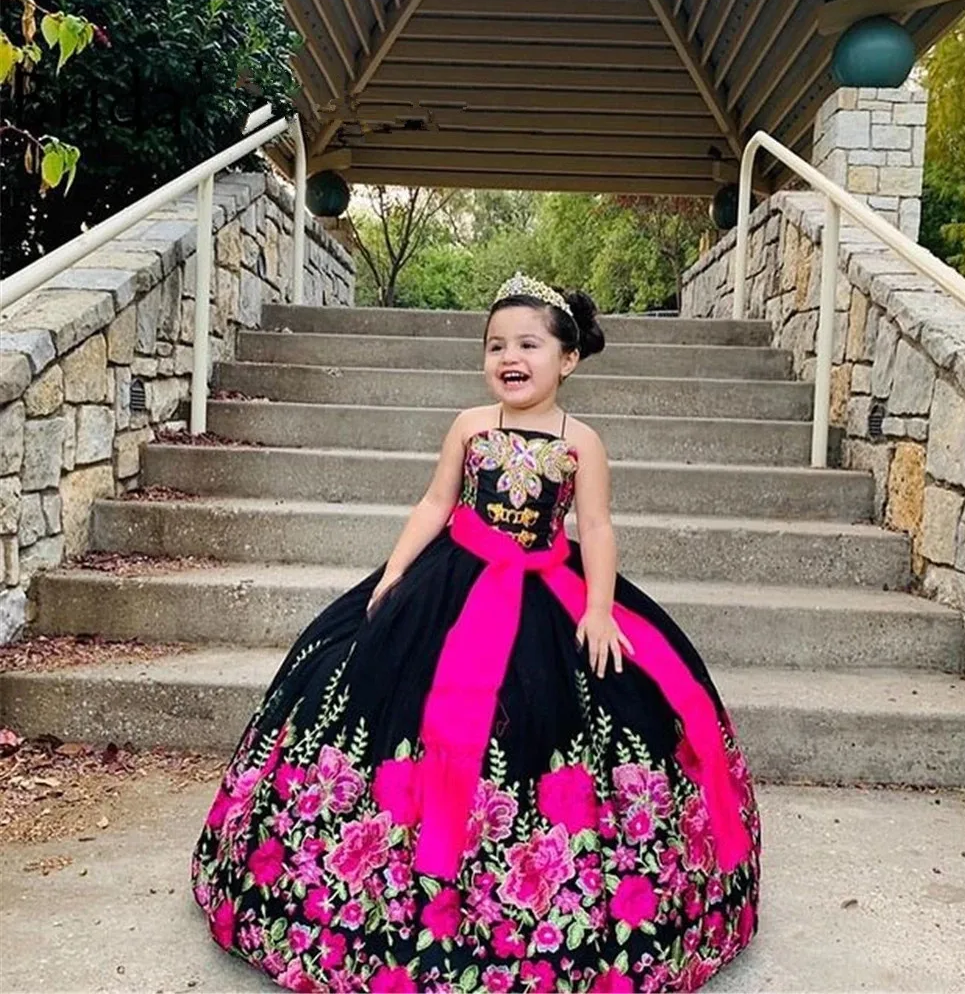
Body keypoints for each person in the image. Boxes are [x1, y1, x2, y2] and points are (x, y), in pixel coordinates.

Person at [191, 272, 761, 993]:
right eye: (496, 345)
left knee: (556, 714)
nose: (509, 357)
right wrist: (393, 575)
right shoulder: (470, 425)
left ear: (568, 359)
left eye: (528, 344)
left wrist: (598, 609)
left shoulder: (582, 440)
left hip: (549, 590)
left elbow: (598, 526)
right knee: (383, 701)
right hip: (450, 584)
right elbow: (435, 502)